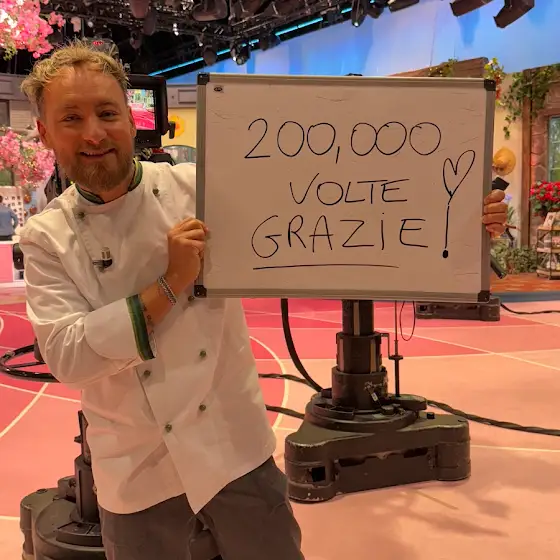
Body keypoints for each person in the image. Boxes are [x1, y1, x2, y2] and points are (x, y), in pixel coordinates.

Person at [18, 41, 509, 560]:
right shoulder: (46, 238)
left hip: (234, 449)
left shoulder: (201, 189)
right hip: (135, 469)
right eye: (71, 118)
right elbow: (70, 357)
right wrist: (170, 283)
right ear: (45, 133)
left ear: (131, 118)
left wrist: (461, 224)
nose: (94, 133)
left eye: (107, 112)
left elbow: (343, 220)